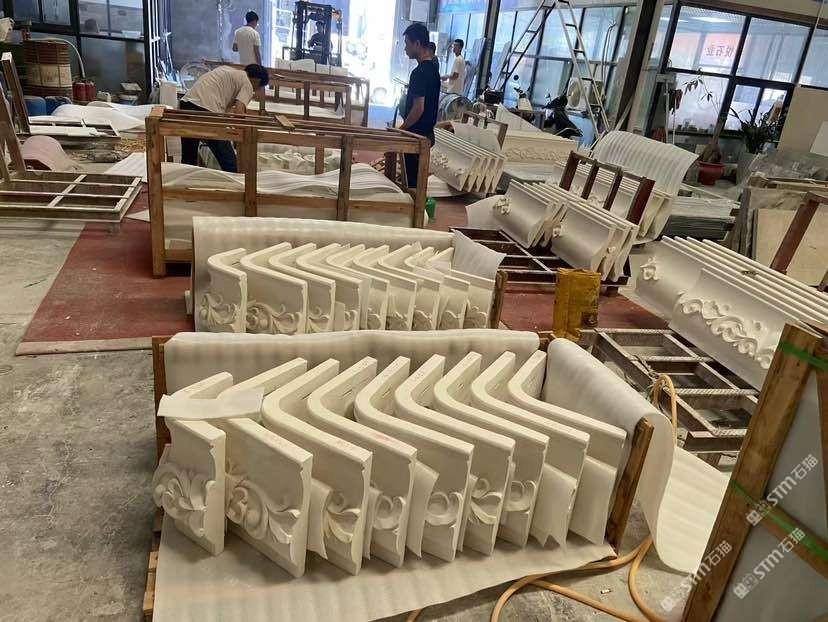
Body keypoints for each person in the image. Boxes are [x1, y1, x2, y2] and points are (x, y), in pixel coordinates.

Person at [180, 64, 269, 172]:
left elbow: (227, 112)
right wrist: (240, 138)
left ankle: (185, 180)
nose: (256, 90)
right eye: (259, 87)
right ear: (257, 81)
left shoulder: (226, 70)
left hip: (186, 105)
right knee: (230, 163)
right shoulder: (247, 83)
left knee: (189, 157)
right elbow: (239, 111)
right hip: (207, 111)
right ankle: (236, 182)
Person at [399, 22, 440, 188]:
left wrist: (402, 128)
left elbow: (418, 108)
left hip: (415, 137)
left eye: (407, 44)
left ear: (417, 44)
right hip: (427, 135)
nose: (405, 49)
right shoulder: (434, 70)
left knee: (411, 183)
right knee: (419, 182)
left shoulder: (418, 73)